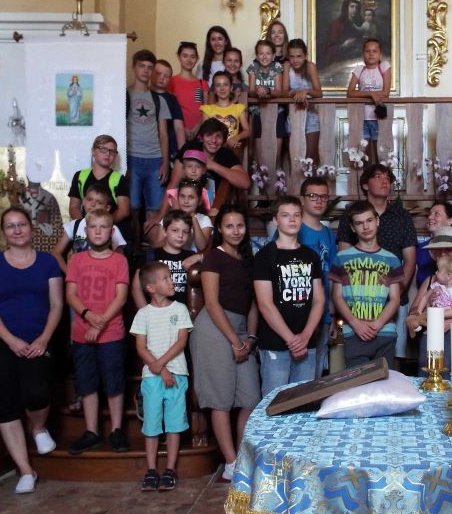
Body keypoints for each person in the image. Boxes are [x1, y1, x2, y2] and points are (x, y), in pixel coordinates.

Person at [0, 207, 63, 494]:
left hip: (38, 339)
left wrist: (44, 339)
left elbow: (57, 305)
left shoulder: (48, 262)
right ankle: (25, 470)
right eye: (11, 226)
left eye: (22, 224)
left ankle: (38, 428)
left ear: (31, 227)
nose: (17, 230)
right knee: (7, 403)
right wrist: (10, 340)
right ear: (4, 232)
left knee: (36, 393)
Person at [190, 205, 260, 482]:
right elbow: (211, 303)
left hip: (241, 328)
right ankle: (231, 463)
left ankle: (242, 456)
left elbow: (253, 303)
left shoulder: (248, 260)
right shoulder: (213, 258)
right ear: (219, 228)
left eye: (239, 225)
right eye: (229, 226)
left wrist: (250, 338)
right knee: (220, 399)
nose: (235, 231)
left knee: (251, 398)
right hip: (215, 328)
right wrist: (234, 341)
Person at [65, 209, 130, 454]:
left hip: (111, 331)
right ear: (86, 231)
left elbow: (121, 297)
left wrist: (100, 322)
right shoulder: (76, 260)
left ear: (111, 232)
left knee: (114, 381)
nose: (98, 231)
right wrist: (88, 316)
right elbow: (71, 294)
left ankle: (116, 429)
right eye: (93, 227)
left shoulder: (119, 261)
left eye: (103, 227)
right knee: (86, 382)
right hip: (82, 331)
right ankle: (91, 431)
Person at [336, 163, 417, 359]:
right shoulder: (351, 214)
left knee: (393, 361)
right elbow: (345, 261)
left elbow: (409, 260)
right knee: (358, 366)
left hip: (394, 300)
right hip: (356, 305)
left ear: (376, 222)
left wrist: (393, 292)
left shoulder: (402, 216)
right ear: (365, 184)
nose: (385, 181)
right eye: (378, 177)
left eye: (388, 178)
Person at [130, 261, 193, 491]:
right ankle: (151, 470)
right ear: (150, 287)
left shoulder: (180, 309)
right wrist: (160, 369)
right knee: (152, 424)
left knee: (174, 424)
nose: (171, 281)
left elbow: (181, 341)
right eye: (165, 278)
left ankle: (170, 469)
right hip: (153, 376)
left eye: (170, 277)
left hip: (177, 375)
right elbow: (141, 347)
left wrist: (163, 365)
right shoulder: (143, 314)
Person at [253, 196, 325, 394]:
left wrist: (305, 336)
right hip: (276, 343)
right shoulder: (264, 256)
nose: (292, 220)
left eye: (296, 215)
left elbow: (319, 300)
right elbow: (265, 304)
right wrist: (291, 340)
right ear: (275, 220)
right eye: (285, 215)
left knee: (304, 401)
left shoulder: (311, 256)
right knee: (274, 402)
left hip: (307, 342)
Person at [330, 200, 405, 367]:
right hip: (354, 332)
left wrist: (377, 324)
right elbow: (337, 296)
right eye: (359, 223)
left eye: (369, 220)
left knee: (385, 381)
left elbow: (395, 299)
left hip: (384, 331)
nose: (365, 226)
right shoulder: (342, 257)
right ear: (352, 228)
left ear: (377, 221)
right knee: (358, 381)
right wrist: (356, 324)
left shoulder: (392, 259)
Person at [407, 225, 452, 368]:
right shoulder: (431, 280)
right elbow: (414, 309)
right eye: (439, 249)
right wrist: (419, 314)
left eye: (448, 249)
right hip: (430, 337)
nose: (443, 253)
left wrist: (445, 324)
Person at [297, 177, 338, 377]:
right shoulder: (293, 229)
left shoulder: (328, 234)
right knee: (299, 374)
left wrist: (332, 316)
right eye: (313, 196)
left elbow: (332, 276)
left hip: (322, 314)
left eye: (323, 196)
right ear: (302, 199)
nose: (319, 200)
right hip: (297, 310)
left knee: (316, 374)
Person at [127, 49, 171, 230]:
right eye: (142, 66)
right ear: (133, 67)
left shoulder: (158, 100)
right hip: (131, 158)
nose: (145, 71)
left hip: (154, 159)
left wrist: (165, 162)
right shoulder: (124, 96)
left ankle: (154, 244)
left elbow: (163, 134)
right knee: (132, 207)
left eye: (149, 67)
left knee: (155, 208)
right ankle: (135, 245)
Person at [175, 119, 251, 215]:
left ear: (223, 141)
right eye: (209, 135)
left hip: (211, 210)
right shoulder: (191, 148)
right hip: (184, 207)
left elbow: (245, 183)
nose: (214, 140)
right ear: (201, 137)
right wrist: (161, 215)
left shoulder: (226, 154)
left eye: (218, 136)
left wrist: (213, 165)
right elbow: (173, 184)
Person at [131, 209, 203, 308]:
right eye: (175, 230)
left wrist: (200, 256)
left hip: (183, 313)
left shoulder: (192, 256)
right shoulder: (151, 256)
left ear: (190, 234)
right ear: (164, 231)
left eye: (185, 232)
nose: (180, 235)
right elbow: (136, 288)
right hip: (157, 311)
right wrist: (146, 312)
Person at [145, 151, 213, 248]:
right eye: (182, 196)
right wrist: (173, 232)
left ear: (199, 201)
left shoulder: (204, 220)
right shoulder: (167, 219)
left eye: (191, 197)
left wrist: (194, 219)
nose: (186, 201)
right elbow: (158, 247)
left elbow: (202, 247)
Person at [52, 184, 127, 273]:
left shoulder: (112, 229)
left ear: (107, 208)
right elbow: (55, 253)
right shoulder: (74, 225)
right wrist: (69, 272)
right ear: (83, 201)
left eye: (99, 202)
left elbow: (120, 259)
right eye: (90, 199)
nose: (93, 204)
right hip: (78, 277)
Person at [68, 134, 131, 229]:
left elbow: (124, 210)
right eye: (103, 149)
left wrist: (102, 226)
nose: (108, 154)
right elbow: (74, 207)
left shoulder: (119, 179)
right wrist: (84, 227)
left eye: (112, 151)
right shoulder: (80, 176)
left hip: (112, 229)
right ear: (93, 151)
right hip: (86, 228)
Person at [346, 38, 391, 162]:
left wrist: (363, 94)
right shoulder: (359, 69)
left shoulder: (384, 67)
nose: (371, 54)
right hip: (362, 116)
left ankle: (379, 172)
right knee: (363, 152)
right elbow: (350, 93)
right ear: (363, 53)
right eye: (368, 51)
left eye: (374, 51)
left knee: (379, 151)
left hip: (378, 117)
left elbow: (385, 93)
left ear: (380, 54)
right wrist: (370, 94)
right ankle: (366, 174)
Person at [282, 38, 323, 164]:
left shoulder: (310, 67)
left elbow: (319, 93)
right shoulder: (287, 66)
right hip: (294, 115)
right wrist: (295, 93)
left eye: (299, 56)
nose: (295, 60)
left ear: (305, 55)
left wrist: (306, 91)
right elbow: (284, 92)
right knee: (295, 156)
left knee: (310, 157)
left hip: (311, 116)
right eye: (292, 56)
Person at [415, 201, 452, 286]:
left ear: (451, 220)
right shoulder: (419, 249)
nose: (430, 217)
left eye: (436, 214)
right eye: (429, 214)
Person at [201, 71, 250, 152]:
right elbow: (204, 133)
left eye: (225, 84)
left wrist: (236, 138)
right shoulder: (207, 110)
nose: (222, 88)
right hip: (213, 148)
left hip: (231, 150)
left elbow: (247, 131)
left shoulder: (238, 108)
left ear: (231, 88)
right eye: (218, 85)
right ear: (214, 89)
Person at [247, 39, 284, 138]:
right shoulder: (253, 67)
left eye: (268, 53)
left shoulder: (276, 67)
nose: (264, 56)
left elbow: (279, 92)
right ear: (257, 56)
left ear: (273, 56)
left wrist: (267, 91)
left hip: (276, 109)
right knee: (259, 136)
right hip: (257, 109)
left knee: (277, 135)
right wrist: (257, 91)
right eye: (261, 53)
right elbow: (251, 91)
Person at [169, 41, 206, 140]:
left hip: (199, 133)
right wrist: (182, 129)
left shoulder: (202, 83)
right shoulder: (171, 81)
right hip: (178, 133)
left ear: (197, 58)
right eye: (185, 56)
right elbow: (168, 109)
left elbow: (206, 109)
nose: (189, 60)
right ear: (178, 56)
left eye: (192, 57)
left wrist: (196, 129)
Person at [152, 59, 187, 160]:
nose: (162, 78)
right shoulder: (144, 96)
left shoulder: (172, 99)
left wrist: (182, 155)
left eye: (166, 76)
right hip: (149, 147)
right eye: (158, 73)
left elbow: (179, 128)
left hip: (170, 148)